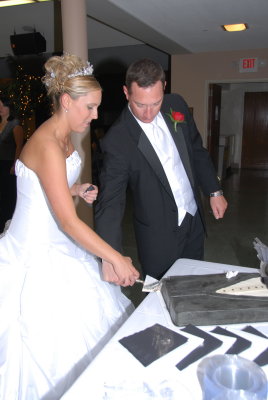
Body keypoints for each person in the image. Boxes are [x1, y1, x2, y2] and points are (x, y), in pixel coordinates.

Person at [0, 53, 139, 400]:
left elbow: (47, 188)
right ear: (66, 101)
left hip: (58, 244)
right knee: (50, 344)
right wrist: (116, 257)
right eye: (89, 108)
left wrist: (74, 189)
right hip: (35, 252)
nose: (94, 116)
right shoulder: (47, 143)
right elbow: (66, 220)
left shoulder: (65, 136)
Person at [95, 58, 228, 280]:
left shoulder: (176, 104)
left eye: (155, 103)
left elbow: (196, 149)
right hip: (157, 234)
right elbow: (110, 202)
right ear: (126, 92)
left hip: (193, 218)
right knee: (160, 297)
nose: (148, 114)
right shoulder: (117, 140)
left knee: (194, 284)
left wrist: (214, 191)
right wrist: (110, 256)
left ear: (164, 89)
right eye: (140, 105)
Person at [0, 97, 24, 232]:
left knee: (8, 195)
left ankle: (8, 224)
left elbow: (19, 146)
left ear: (8, 107)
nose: (0, 108)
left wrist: (15, 164)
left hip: (8, 164)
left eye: (2, 105)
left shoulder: (15, 124)